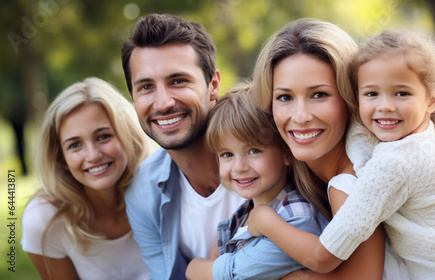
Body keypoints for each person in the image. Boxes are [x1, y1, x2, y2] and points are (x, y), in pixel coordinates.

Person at [251, 28, 435, 279]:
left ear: (432, 101)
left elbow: (323, 257)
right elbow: (358, 133)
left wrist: (265, 222)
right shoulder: (406, 136)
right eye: (371, 94)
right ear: (358, 98)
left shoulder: (392, 164)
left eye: (319, 94)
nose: (385, 106)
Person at [248, 19, 410, 279]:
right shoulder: (299, 170)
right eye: (285, 97)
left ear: (350, 97)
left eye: (319, 94)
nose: (300, 116)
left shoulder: (351, 181)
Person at [121, 13, 245, 279]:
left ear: (212, 85)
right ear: (132, 96)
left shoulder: (274, 149)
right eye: (146, 87)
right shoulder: (143, 194)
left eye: (178, 81)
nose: (163, 102)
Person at [185, 84, 328, 280]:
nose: (239, 167)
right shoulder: (244, 213)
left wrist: (193, 267)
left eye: (253, 151)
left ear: (286, 153)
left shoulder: (297, 219)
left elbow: (233, 273)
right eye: (227, 154)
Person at [21, 77, 153, 280]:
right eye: (74, 145)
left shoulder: (164, 190)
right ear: (61, 159)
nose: (92, 155)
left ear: (129, 135)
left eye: (103, 136)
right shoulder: (45, 220)